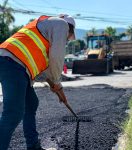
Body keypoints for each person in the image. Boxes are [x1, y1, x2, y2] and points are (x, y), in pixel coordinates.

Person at [0, 14, 76, 150]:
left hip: (16, 65)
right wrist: (57, 82)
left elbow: (44, 74)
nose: (65, 41)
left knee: (31, 103)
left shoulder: (45, 32)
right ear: (69, 29)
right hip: (12, 62)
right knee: (13, 113)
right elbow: (57, 58)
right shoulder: (61, 24)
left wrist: (56, 87)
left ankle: (33, 146)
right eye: (68, 38)